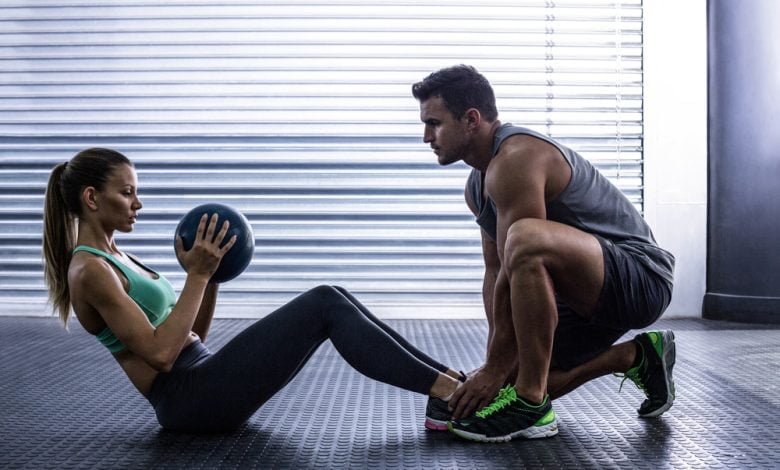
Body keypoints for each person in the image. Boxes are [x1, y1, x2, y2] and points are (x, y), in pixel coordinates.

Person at [42, 147, 464, 433]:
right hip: (188, 400)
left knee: (332, 294)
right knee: (324, 303)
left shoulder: (119, 258)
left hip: (203, 377)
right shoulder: (90, 270)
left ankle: (451, 382)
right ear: (92, 198)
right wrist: (198, 276)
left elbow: (191, 339)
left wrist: (212, 279)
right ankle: (453, 397)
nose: (138, 204)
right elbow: (160, 354)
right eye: (128, 192)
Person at [412, 65, 676, 442]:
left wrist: (494, 366)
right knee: (510, 380)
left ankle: (532, 405)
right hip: (581, 296)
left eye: (434, 124)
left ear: (471, 119)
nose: (426, 137)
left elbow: (522, 249)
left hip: (640, 277)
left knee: (525, 237)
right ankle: (637, 356)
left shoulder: (516, 157)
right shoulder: (477, 187)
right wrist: (496, 367)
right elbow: (496, 273)